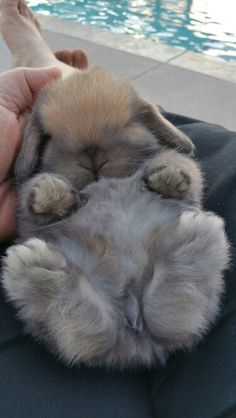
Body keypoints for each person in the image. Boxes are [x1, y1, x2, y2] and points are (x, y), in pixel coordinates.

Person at [0, 1, 236, 418]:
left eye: (120, 130)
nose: (92, 159)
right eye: (61, 140)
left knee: (195, 178)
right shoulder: (42, 179)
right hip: (86, 277)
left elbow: (182, 162)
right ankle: (74, 311)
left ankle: (45, 70)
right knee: (215, 169)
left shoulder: (157, 156)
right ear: (38, 139)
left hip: (153, 260)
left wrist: (174, 174)